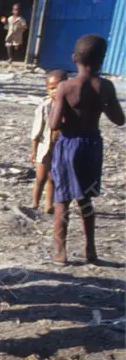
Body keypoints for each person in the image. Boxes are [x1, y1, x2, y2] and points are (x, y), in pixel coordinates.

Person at [48, 35, 124, 265]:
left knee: (62, 200)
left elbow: (53, 124)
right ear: (102, 59)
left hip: (68, 144)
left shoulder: (66, 86)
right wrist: (104, 102)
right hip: (91, 145)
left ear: (74, 58)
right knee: (86, 199)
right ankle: (90, 249)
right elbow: (119, 119)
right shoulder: (105, 87)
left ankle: (60, 252)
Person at [29, 69, 67, 214]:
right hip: (44, 147)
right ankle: (35, 203)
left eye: (57, 87)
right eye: (51, 88)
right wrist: (33, 150)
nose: (54, 91)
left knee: (52, 178)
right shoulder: (45, 106)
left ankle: (49, 205)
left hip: (59, 148)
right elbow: (36, 131)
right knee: (40, 177)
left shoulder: (68, 106)